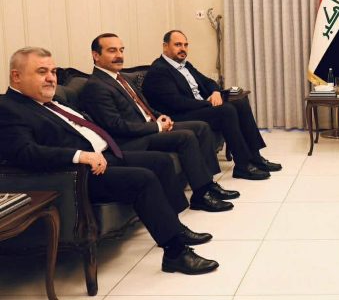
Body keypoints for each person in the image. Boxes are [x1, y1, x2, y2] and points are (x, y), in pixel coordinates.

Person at [0, 47, 218, 275]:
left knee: (160, 161)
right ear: (16, 76)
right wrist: (79, 155)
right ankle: (175, 253)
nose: (51, 78)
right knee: (143, 179)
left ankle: (175, 228)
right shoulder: (9, 109)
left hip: (106, 155)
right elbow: (25, 153)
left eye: (53, 72)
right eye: (42, 72)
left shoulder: (50, 101)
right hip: (77, 174)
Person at [80, 33, 237, 212]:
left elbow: (143, 106)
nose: (119, 55)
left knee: (200, 127)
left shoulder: (120, 78)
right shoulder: (96, 86)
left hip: (148, 127)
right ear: (96, 55)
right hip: (131, 140)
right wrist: (156, 127)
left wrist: (160, 116)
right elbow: (116, 126)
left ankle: (208, 184)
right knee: (185, 137)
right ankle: (201, 195)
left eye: (121, 50)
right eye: (112, 51)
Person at [141, 30, 280, 180]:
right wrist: (207, 104)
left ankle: (255, 157)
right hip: (179, 115)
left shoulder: (185, 65)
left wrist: (215, 92)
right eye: (178, 45)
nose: (183, 49)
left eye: (186, 45)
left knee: (240, 101)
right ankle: (243, 166)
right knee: (226, 110)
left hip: (197, 107)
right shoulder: (159, 70)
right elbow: (176, 102)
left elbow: (208, 82)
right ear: (165, 46)